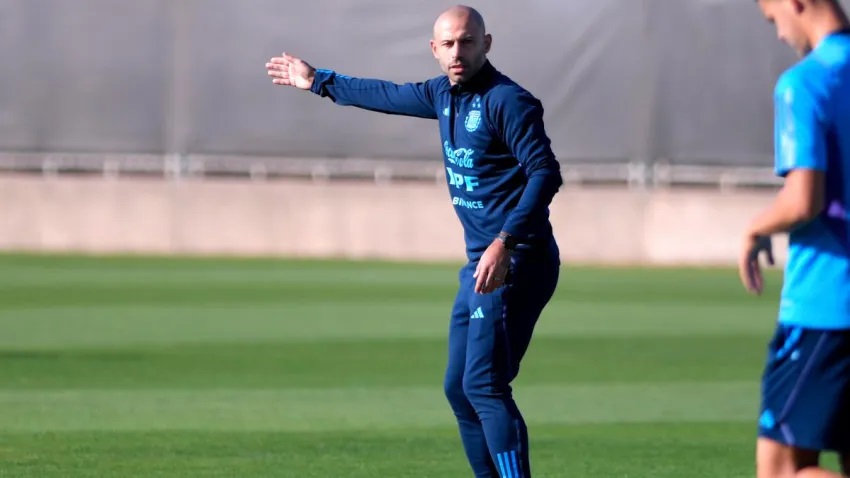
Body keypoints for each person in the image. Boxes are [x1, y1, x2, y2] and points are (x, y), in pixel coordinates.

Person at [266, 5, 562, 477]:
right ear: (434, 50)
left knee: (484, 386)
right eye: (448, 44)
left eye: (467, 41)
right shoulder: (442, 95)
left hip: (517, 261)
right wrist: (317, 80)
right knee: (458, 389)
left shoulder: (508, 101)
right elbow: (385, 93)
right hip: (480, 265)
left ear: (486, 44)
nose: (457, 52)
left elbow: (545, 173)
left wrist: (505, 241)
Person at [741, 1, 850, 477]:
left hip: (829, 303)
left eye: (773, 19)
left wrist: (756, 227)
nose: (780, 33)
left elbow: (805, 199)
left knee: (782, 468)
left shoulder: (805, 83)